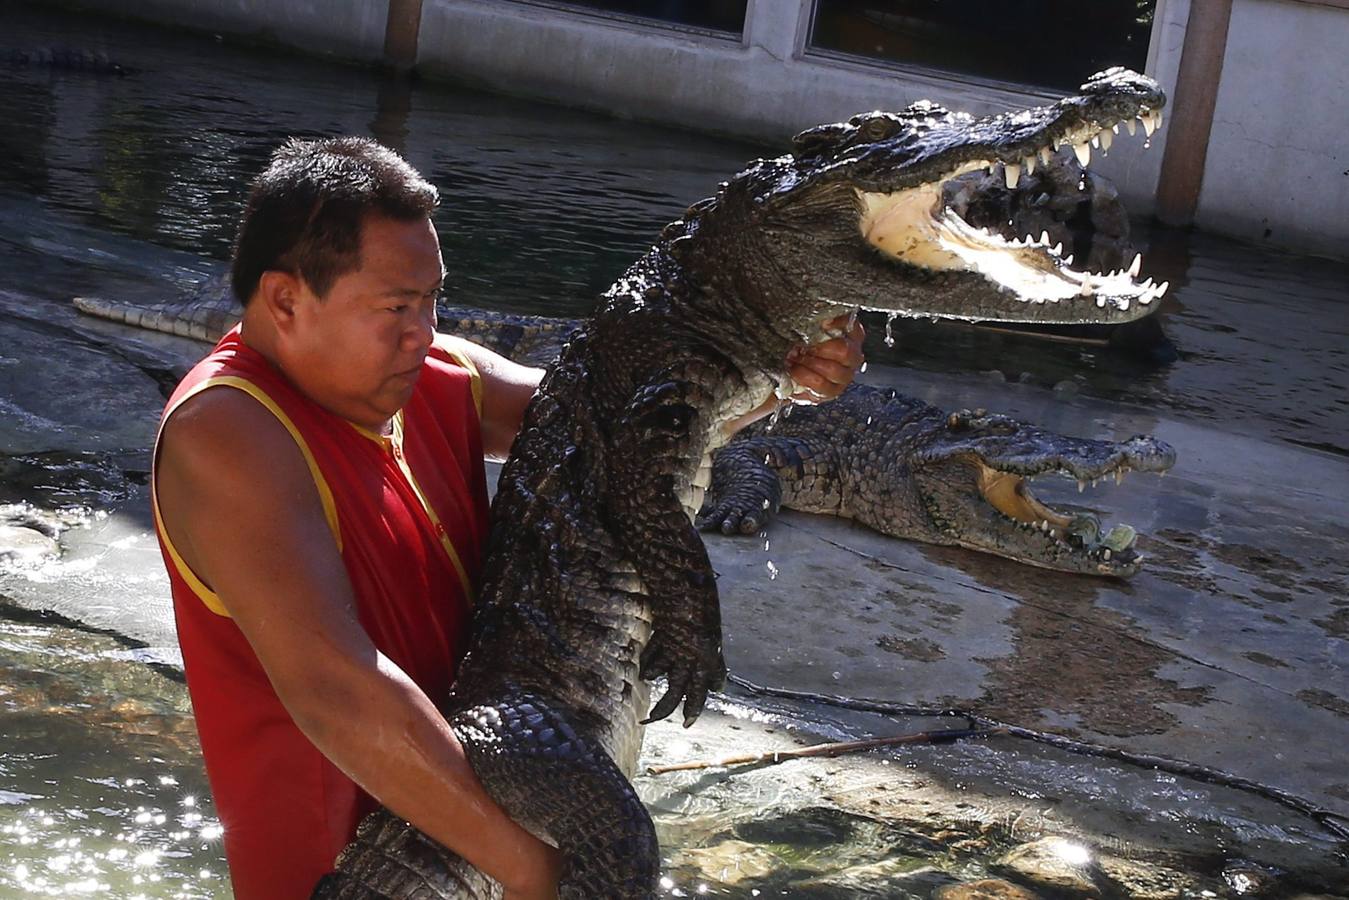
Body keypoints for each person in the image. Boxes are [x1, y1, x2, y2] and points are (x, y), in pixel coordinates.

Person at [152, 136, 864, 899]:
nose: (422, 331)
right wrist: (532, 870)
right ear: (286, 299)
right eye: (395, 306)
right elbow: (337, 689)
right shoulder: (228, 431)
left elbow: (627, 427)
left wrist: (784, 377)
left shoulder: (436, 374)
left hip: (487, 819)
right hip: (343, 872)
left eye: (431, 299)